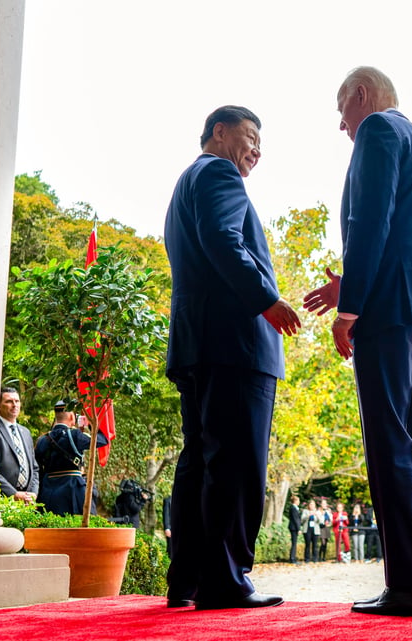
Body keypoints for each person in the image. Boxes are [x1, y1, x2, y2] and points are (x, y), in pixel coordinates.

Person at [303, 66, 412, 618]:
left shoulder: (378, 131)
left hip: (389, 309)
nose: (341, 125)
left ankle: (411, 588)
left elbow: (371, 220)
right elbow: (407, 229)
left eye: (342, 109)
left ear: (361, 96)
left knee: (388, 445)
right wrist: (351, 282)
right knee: (407, 446)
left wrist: (351, 308)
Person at [163, 105, 301, 611]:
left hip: (199, 344)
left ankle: (189, 581)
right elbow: (224, 240)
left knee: (199, 459)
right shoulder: (218, 172)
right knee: (236, 463)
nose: (256, 151)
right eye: (249, 137)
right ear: (218, 133)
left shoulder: (187, 181)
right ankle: (227, 580)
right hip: (234, 345)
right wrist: (266, 299)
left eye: (261, 145)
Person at [35, 401, 109, 516]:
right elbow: (102, 440)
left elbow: (38, 470)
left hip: (48, 492)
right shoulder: (75, 435)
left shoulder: (42, 440)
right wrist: (90, 423)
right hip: (72, 490)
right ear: (71, 416)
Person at [0, 387, 39, 505]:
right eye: (9, 401)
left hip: (26, 500)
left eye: (17, 401)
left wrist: (33, 493)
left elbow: (34, 468)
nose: (14, 405)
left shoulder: (25, 432)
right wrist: (13, 494)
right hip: (2, 499)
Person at [287, 495, 302, 564]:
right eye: (298, 500)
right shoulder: (293, 508)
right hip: (294, 528)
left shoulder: (295, 508)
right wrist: (298, 529)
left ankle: (293, 558)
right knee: (294, 543)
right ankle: (292, 559)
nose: (299, 502)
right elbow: (295, 519)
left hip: (294, 527)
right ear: (295, 501)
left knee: (294, 543)